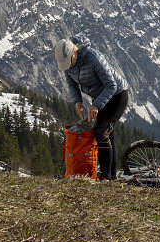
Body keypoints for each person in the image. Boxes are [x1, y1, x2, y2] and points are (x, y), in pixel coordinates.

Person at [55, 35, 129, 180]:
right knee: (106, 135)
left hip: (117, 96)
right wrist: (77, 102)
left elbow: (111, 85)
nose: (67, 66)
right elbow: (72, 85)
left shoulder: (94, 58)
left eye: (69, 62)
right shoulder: (67, 63)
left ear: (74, 52)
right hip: (100, 96)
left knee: (101, 132)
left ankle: (106, 178)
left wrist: (96, 105)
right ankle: (111, 176)